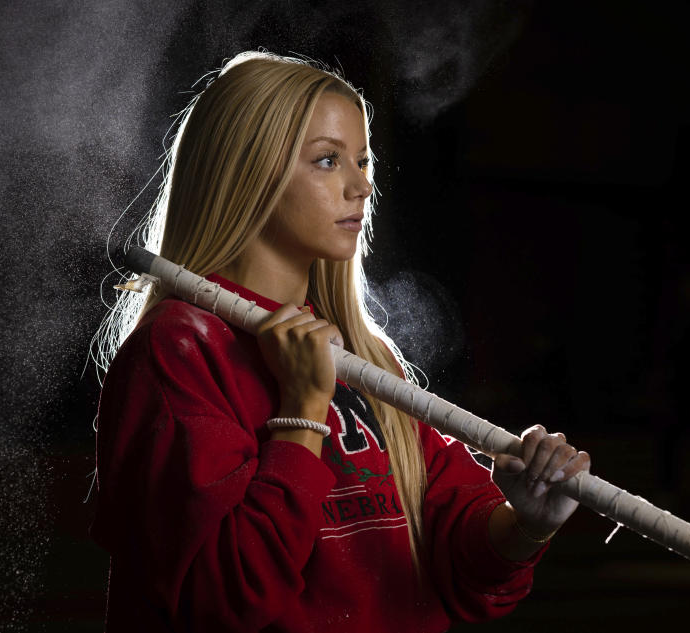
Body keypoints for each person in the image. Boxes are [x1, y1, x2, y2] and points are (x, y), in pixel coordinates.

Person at [90, 51, 591, 632]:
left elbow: (460, 567)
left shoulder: (364, 354)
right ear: (248, 173)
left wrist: (525, 523)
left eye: (362, 160)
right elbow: (222, 600)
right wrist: (302, 411)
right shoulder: (180, 349)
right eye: (328, 161)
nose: (362, 185)